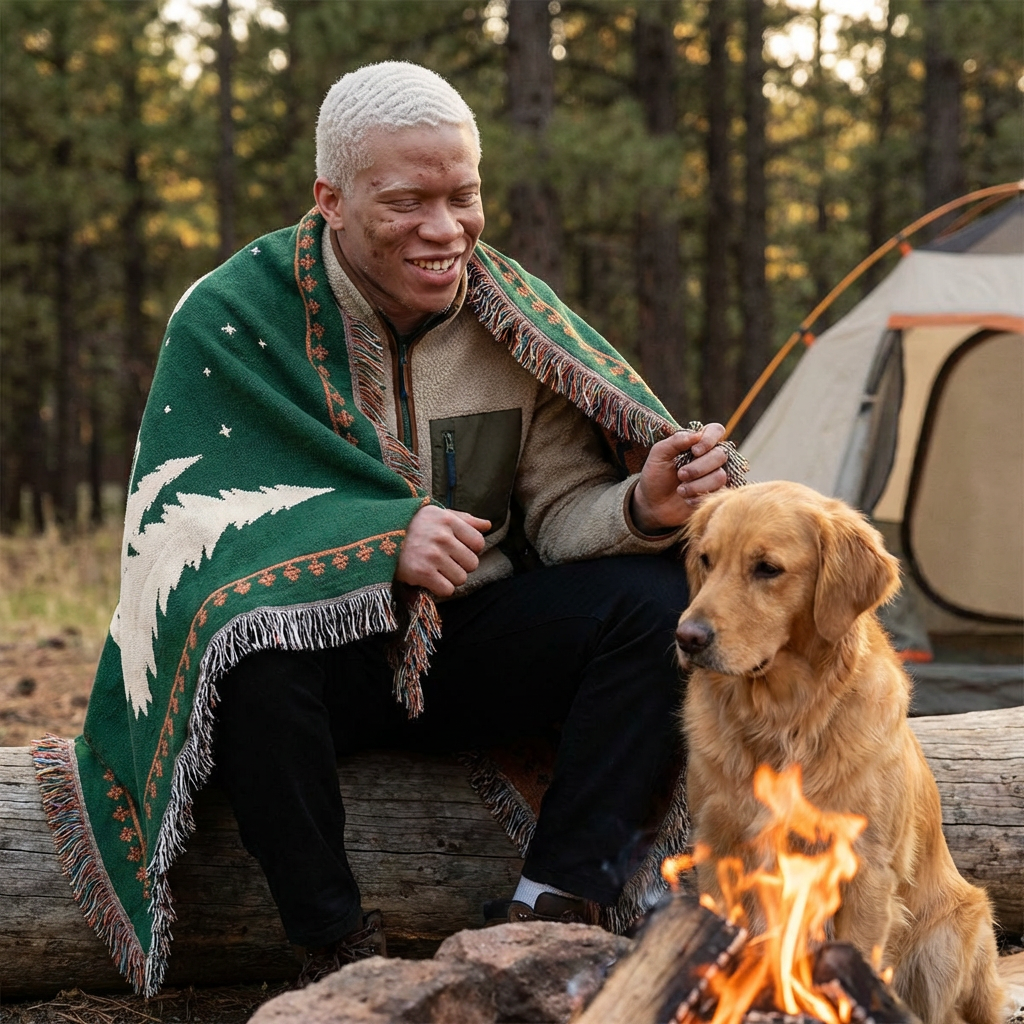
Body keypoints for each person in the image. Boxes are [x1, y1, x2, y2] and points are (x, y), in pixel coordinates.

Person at [33, 60, 735, 998]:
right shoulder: (231, 319)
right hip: (315, 673)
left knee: (655, 604)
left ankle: (556, 909)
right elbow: (182, 536)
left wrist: (643, 506)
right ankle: (337, 953)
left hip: (471, 651)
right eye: (407, 202)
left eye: (463, 196)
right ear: (330, 199)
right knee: (250, 652)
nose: (445, 230)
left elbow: (560, 508)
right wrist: (378, 543)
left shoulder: (512, 320)